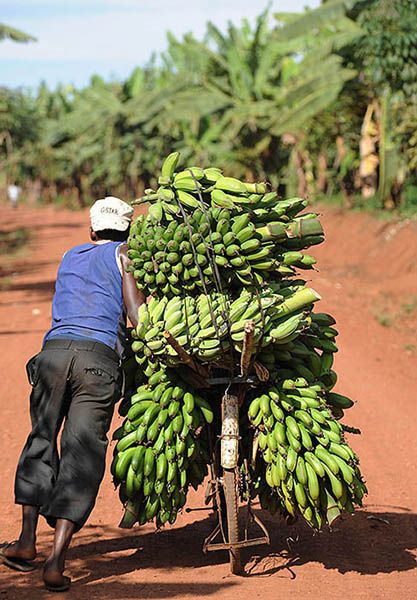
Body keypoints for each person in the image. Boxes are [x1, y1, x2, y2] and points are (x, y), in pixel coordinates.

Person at [1, 196, 144, 592]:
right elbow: (135, 316)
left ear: (92, 229)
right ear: (128, 231)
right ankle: (55, 562)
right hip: (97, 362)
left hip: (52, 354)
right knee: (82, 454)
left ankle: (27, 543)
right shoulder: (126, 254)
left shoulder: (69, 255)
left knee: (41, 441)